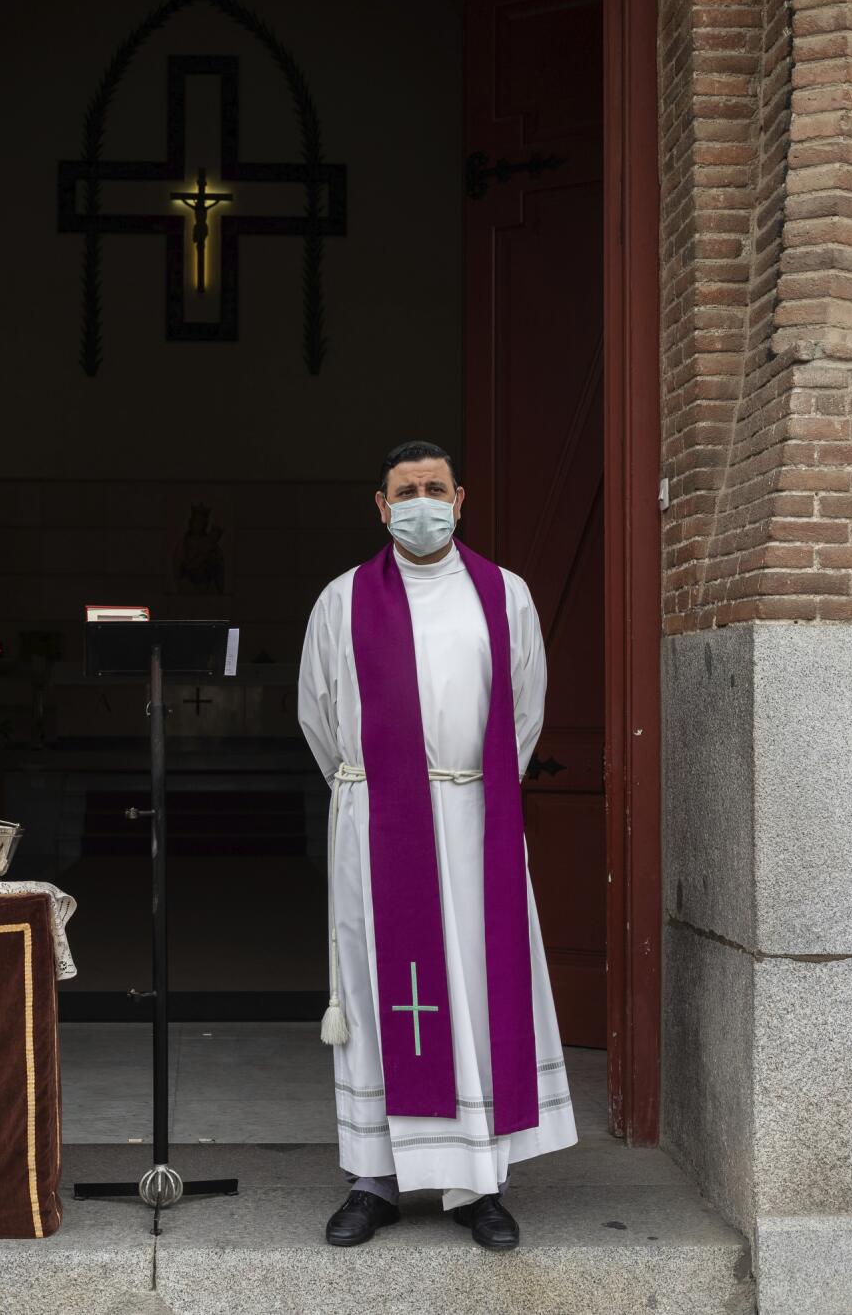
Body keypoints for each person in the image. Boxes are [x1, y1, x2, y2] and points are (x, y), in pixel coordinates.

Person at [296, 440, 576, 1251]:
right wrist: (380, 793)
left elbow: (524, 710)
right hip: (378, 824)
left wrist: (461, 786)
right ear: (382, 508)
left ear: (462, 499)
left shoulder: (504, 594)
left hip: (472, 815)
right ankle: (373, 1178)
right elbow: (319, 716)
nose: (422, 502)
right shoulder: (342, 600)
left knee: (478, 992)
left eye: (435, 488)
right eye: (405, 491)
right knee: (378, 989)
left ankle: (478, 1182)